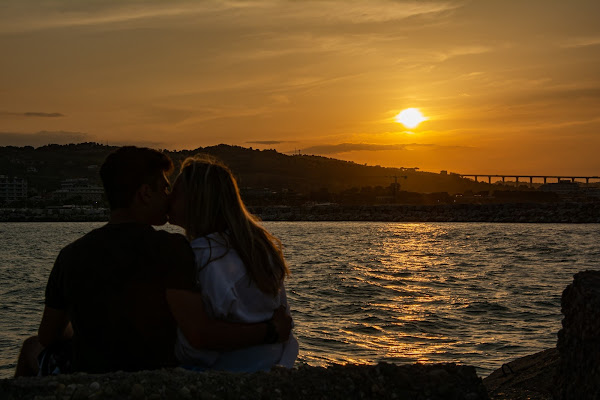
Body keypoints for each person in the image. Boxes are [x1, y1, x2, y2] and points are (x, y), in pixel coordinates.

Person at [15, 146, 291, 377]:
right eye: (164, 188)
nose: (169, 197)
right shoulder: (173, 248)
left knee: (31, 348)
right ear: (146, 194)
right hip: (157, 370)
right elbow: (197, 331)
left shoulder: (69, 255)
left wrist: (85, 322)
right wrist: (271, 330)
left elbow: (48, 336)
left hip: (87, 371)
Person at [168, 155, 299, 372]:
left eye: (176, 193)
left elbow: (200, 343)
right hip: (272, 365)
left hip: (225, 373)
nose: (168, 197)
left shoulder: (202, 256)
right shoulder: (259, 250)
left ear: (197, 200)